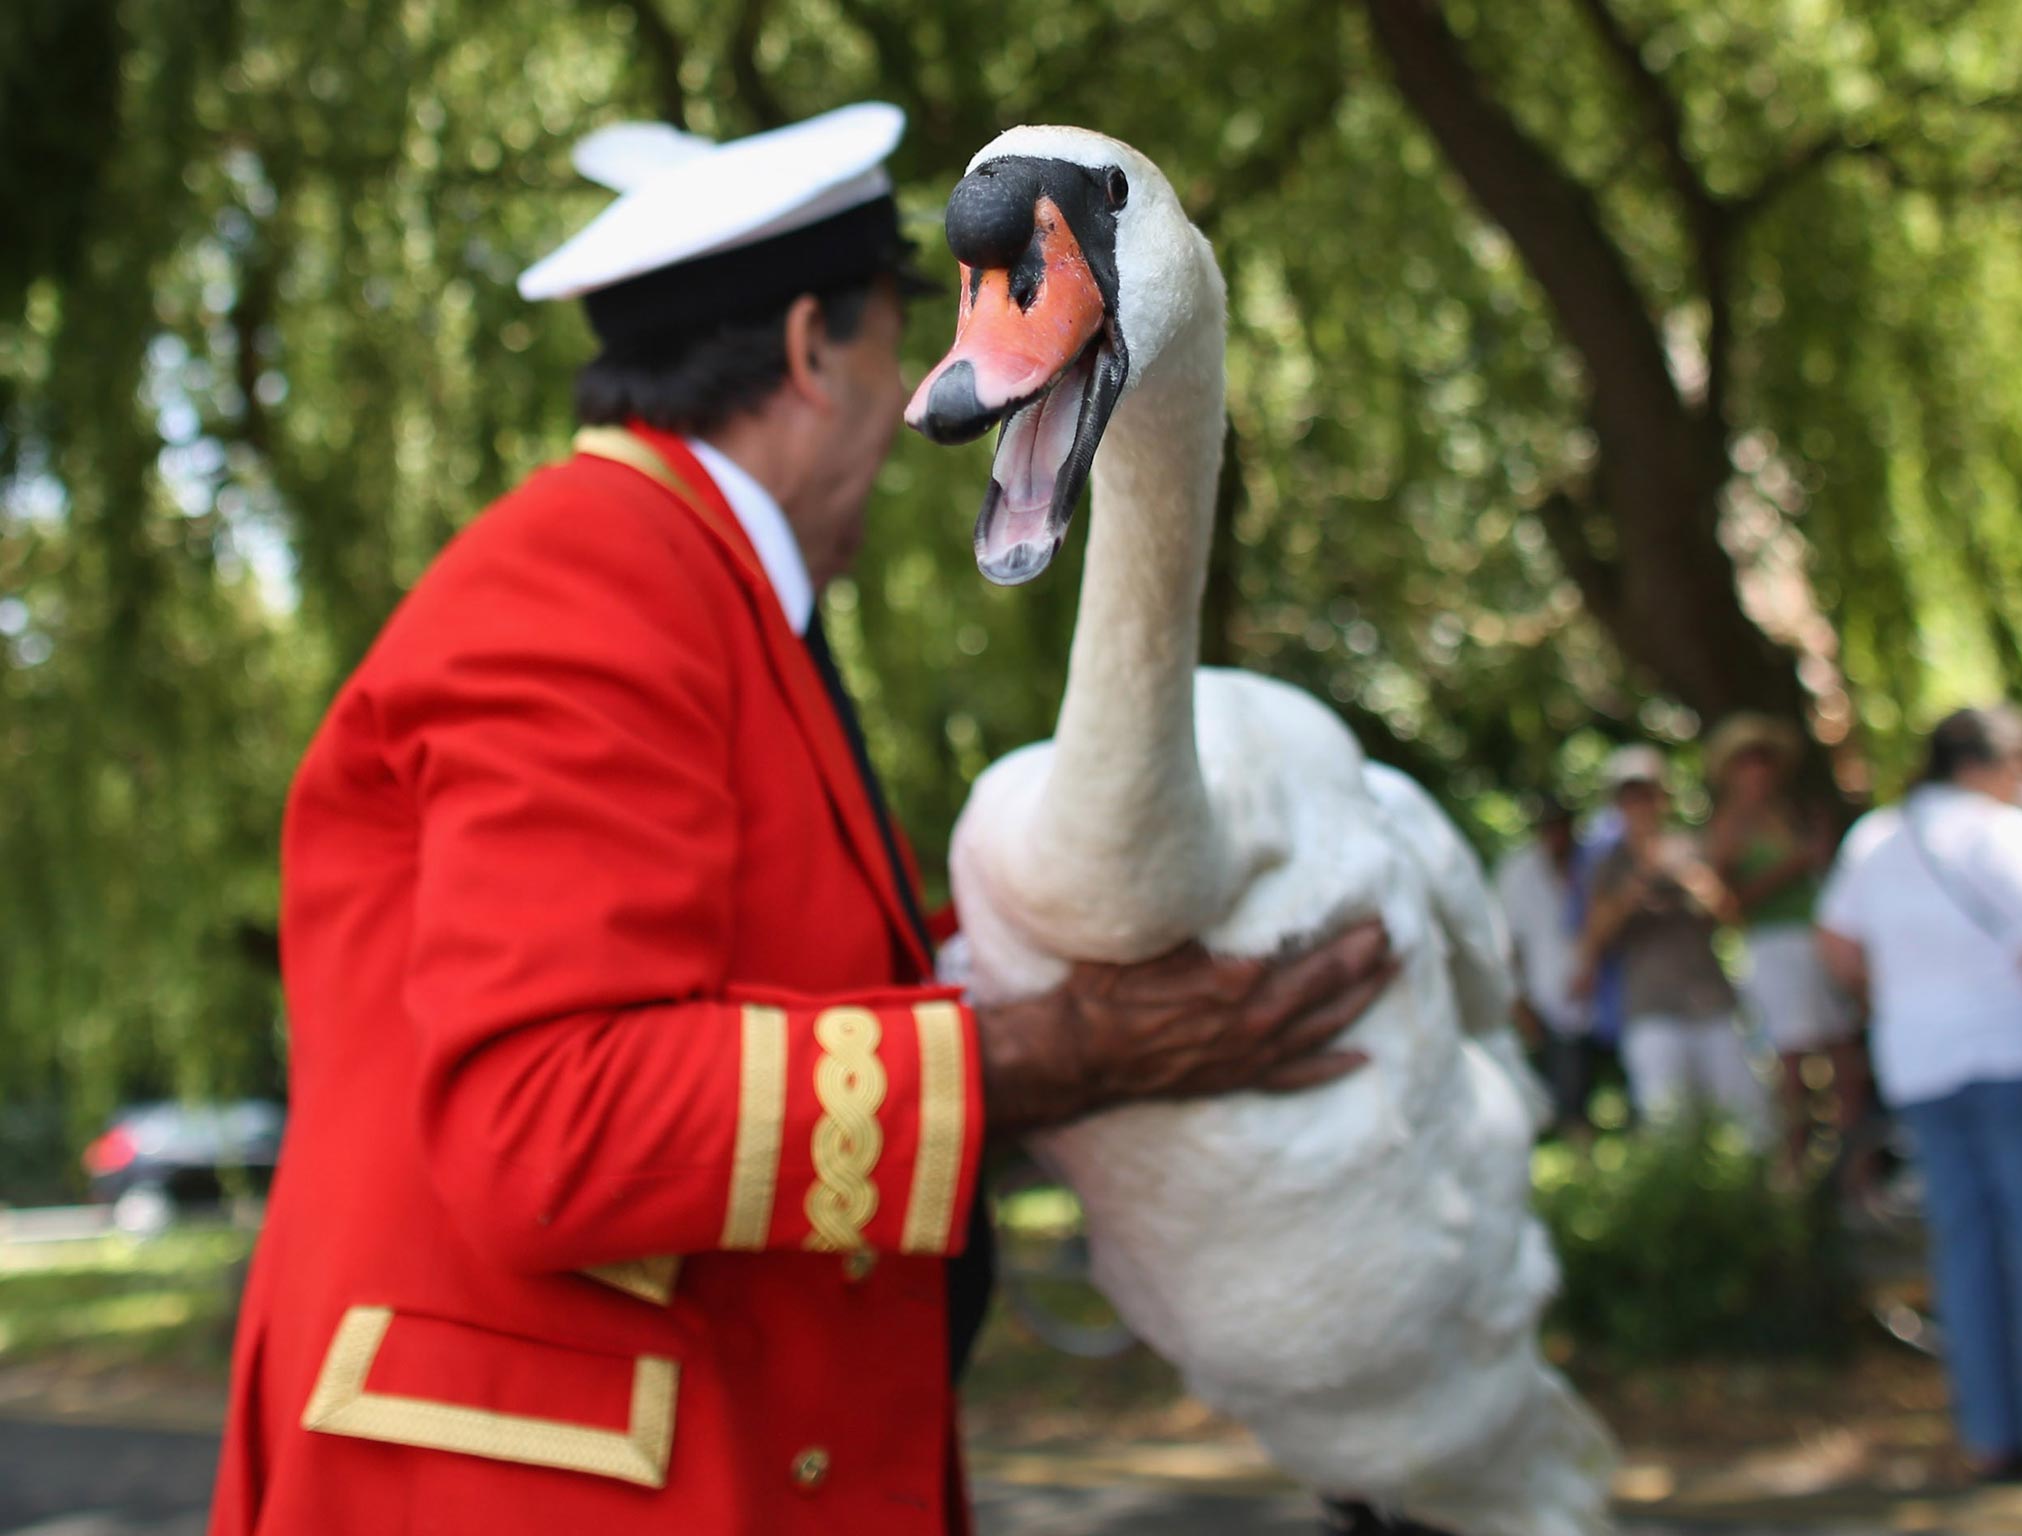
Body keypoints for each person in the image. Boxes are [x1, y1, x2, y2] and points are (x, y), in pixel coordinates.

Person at [207, 105, 1398, 1536]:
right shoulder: (589, 583)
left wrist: (1095, 969)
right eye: (911, 334)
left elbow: (779, 996)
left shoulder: (691, 582)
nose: (934, 393)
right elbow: (547, 1121)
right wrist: (1052, 1053)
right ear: (812, 351)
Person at [1817, 705, 2022, 1483]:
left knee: (1963, 1245)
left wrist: (1906, 995)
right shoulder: (2004, 833)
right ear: (1995, 761)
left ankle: (1989, 1436)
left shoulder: (1876, 838)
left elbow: (1837, 946)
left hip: (1920, 1065)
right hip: (2016, 1057)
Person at [1579, 745, 1770, 1140]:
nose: (1640, 806)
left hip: (1712, 1001)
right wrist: (1635, 887)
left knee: (1749, 1120)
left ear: (1662, 797)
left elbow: (1731, 915)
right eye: (1630, 797)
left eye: (1647, 794)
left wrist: (1692, 878)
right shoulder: (1607, 865)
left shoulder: (1691, 846)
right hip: (1649, 1008)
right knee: (1670, 1127)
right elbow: (1593, 940)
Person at [1703, 714, 1861, 1166]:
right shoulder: (1729, 828)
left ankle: (1855, 1170)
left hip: (1815, 939)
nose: (1758, 770)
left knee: (1844, 1056)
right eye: (1747, 761)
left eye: (1763, 760)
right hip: (1771, 946)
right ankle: (1794, 1169)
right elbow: (1727, 906)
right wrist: (1789, 867)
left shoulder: (1795, 815)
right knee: (1791, 1062)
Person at [1494, 795, 1602, 1133]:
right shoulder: (1516, 873)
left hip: (1603, 992)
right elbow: (1507, 944)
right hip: (1547, 994)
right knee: (1562, 1077)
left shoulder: (1594, 863)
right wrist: (1518, 1000)